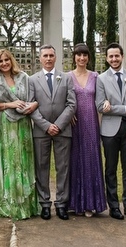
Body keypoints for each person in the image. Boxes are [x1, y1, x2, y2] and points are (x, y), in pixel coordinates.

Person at [0, 48, 40, 220]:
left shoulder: (24, 77)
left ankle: (25, 204)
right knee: (8, 161)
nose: (4, 63)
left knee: (22, 161)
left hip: (23, 124)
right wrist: (10, 105)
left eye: (6, 60)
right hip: (3, 125)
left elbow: (33, 98)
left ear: (12, 60)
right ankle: (7, 204)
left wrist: (32, 105)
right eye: (0, 61)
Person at [95, 43, 126, 220]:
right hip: (109, 130)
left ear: (122, 56)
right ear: (107, 58)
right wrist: (124, 109)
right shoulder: (101, 79)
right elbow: (101, 106)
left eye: (117, 56)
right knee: (110, 169)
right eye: (111, 57)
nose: (114, 59)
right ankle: (114, 206)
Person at [29, 44, 76, 221]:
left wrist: (58, 124)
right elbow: (31, 105)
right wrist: (46, 125)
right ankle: (45, 204)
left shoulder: (66, 78)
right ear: (40, 59)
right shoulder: (33, 80)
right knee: (41, 167)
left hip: (63, 130)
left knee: (62, 167)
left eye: (51, 55)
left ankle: (62, 204)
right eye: (45, 56)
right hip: (41, 131)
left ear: (56, 58)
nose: (48, 59)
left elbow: (72, 104)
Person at [67, 44, 107, 217]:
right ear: (74, 57)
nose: (81, 58)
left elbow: (100, 100)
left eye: (85, 55)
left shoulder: (96, 76)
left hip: (91, 122)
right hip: (74, 124)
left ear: (88, 58)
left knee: (91, 160)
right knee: (75, 160)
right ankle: (76, 203)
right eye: (78, 55)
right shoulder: (67, 77)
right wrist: (67, 115)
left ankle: (91, 203)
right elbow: (63, 98)